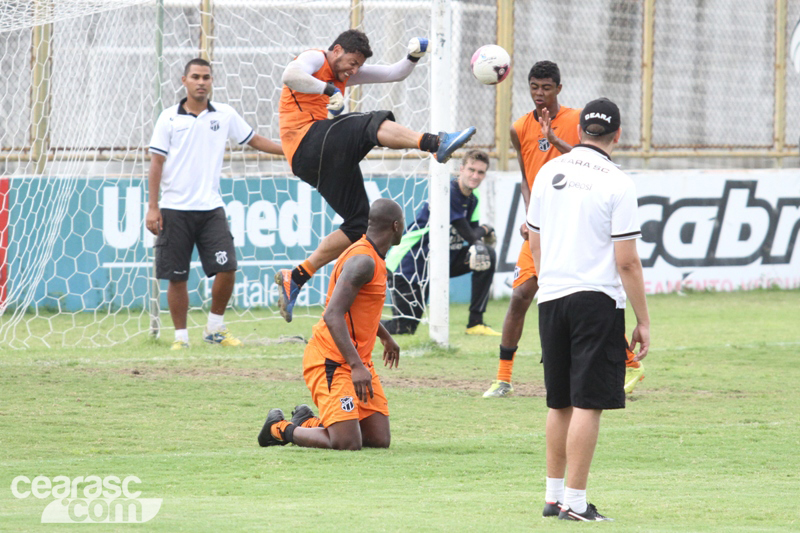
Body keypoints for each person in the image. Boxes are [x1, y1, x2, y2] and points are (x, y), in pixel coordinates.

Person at [274, 29, 476, 323]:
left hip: (316, 160)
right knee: (370, 122)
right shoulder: (316, 58)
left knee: (358, 225)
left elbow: (394, 73)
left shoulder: (345, 74)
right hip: (307, 144)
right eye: (351, 62)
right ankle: (435, 143)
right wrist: (329, 91)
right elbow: (290, 75)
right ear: (337, 49)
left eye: (358, 66)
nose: (353, 70)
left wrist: (413, 56)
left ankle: (297, 276)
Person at [483, 61, 644, 398]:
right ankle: (503, 377)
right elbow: (527, 176)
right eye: (533, 87)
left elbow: (590, 163)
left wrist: (554, 139)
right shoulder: (518, 128)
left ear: (559, 88)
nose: (539, 94)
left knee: (585, 295)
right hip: (543, 226)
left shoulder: (577, 120)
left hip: (573, 223)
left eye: (546, 87)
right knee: (519, 296)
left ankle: (627, 361)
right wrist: (531, 216)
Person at [528, 97, 650, 521]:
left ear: (579, 130)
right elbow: (627, 261)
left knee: (558, 401)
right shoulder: (618, 183)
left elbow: (534, 239)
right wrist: (643, 320)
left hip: (551, 296)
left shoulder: (549, 171)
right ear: (618, 135)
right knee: (587, 403)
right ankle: (576, 504)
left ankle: (552, 496)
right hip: (595, 300)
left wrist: (548, 283)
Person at [147, 58, 284, 350]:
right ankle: (180, 338)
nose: (201, 82)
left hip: (210, 209)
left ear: (211, 81)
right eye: (195, 77)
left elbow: (254, 139)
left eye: (206, 77)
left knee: (228, 268)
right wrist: (153, 206)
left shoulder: (224, 114)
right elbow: (156, 163)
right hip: (174, 209)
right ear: (184, 81)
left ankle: (214, 328)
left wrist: (290, 151)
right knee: (176, 276)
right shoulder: (168, 118)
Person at [258, 198, 404, 450]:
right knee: (347, 443)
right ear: (395, 226)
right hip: (331, 360)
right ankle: (278, 428)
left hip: (356, 359)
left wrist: (384, 336)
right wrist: (357, 366)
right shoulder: (363, 261)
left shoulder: (372, 257)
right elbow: (332, 315)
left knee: (378, 440)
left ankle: (309, 421)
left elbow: (358, 309)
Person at [382, 149, 500, 336]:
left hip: (440, 262)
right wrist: (487, 229)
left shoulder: (473, 201)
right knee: (404, 328)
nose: (475, 176)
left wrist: (481, 234)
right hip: (410, 264)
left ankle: (475, 323)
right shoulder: (448, 193)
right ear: (461, 169)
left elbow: (474, 240)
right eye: (471, 170)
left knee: (486, 253)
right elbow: (470, 234)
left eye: (481, 172)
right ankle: (356, 324)